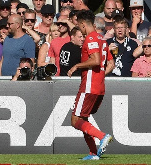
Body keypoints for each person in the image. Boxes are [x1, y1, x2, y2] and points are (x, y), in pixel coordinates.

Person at [67, 10, 113, 160]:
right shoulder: (102, 39)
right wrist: (100, 76)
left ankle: (102, 136)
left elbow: (96, 60)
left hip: (89, 86)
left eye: (79, 26)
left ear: (82, 24)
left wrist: (76, 66)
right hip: (99, 85)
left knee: (75, 120)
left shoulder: (91, 38)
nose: (79, 29)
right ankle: (93, 153)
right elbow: (110, 63)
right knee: (83, 119)